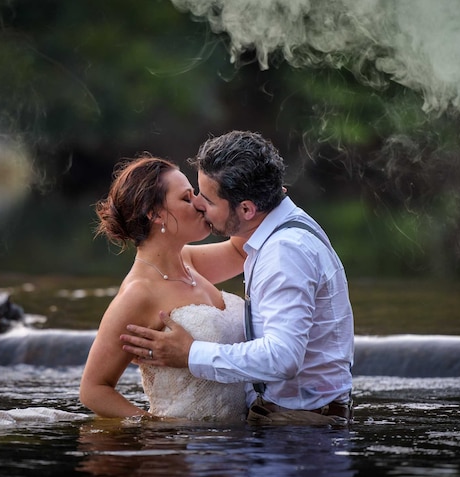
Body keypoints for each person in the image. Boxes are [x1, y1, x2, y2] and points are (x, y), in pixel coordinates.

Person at [120, 131, 355, 425]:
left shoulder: (284, 252)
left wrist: (191, 353)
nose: (198, 205)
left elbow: (282, 358)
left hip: (298, 429)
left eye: (207, 199)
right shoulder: (280, 226)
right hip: (293, 419)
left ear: (246, 208)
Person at [78, 155, 249, 421]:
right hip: (181, 449)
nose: (201, 204)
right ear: (155, 213)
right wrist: (156, 427)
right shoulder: (139, 293)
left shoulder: (190, 261)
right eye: (187, 198)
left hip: (237, 444)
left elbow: (243, 250)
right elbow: (93, 389)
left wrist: (255, 193)